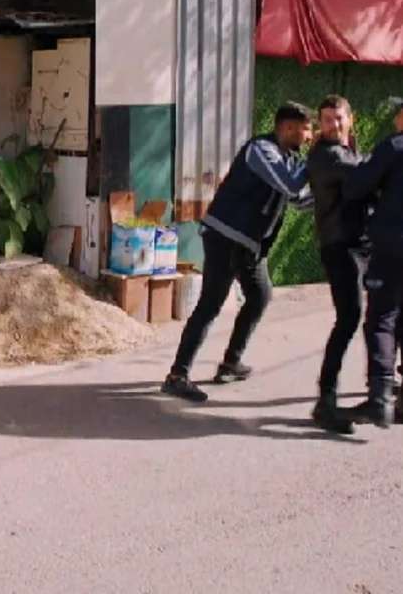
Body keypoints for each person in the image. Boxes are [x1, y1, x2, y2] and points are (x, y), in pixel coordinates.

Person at [162, 101, 314, 402]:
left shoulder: (289, 157)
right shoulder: (261, 150)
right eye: (306, 130)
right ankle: (177, 375)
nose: (310, 137)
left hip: (249, 245)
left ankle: (231, 362)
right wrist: (318, 158)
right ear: (288, 128)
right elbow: (290, 186)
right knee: (210, 305)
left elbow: (299, 200)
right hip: (226, 238)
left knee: (260, 295)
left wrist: (338, 199)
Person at [305, 95, 371, 434]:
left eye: (339, 118)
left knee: (386, 312)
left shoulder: (351, 151)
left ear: (351, 118)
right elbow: (368, 176)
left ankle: (382, 386)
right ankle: (325, 400)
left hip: (364, 244)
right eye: (328, 119)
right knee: (349, 317)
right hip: (340, 246)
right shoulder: (326, 156)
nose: (335, 125)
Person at [341, 96, 403, 428]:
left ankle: (380, 399)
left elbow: (355, 186)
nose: (394, 119)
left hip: (393, 246)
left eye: (399, 113)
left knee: (381, 319)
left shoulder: (394, 146)